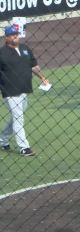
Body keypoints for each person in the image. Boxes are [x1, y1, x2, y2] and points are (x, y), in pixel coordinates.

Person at [0, 25, 50, 156]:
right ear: (6, 37)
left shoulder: (25, 49)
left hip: (24, 89)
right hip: (10, 90)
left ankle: (2, 140)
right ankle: (24, 148)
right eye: (12, 34)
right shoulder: (1, 53)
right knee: (18, 117)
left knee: (17, 116)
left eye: (16, 33)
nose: (15, 36)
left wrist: (43, 78)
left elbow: (33, 66)